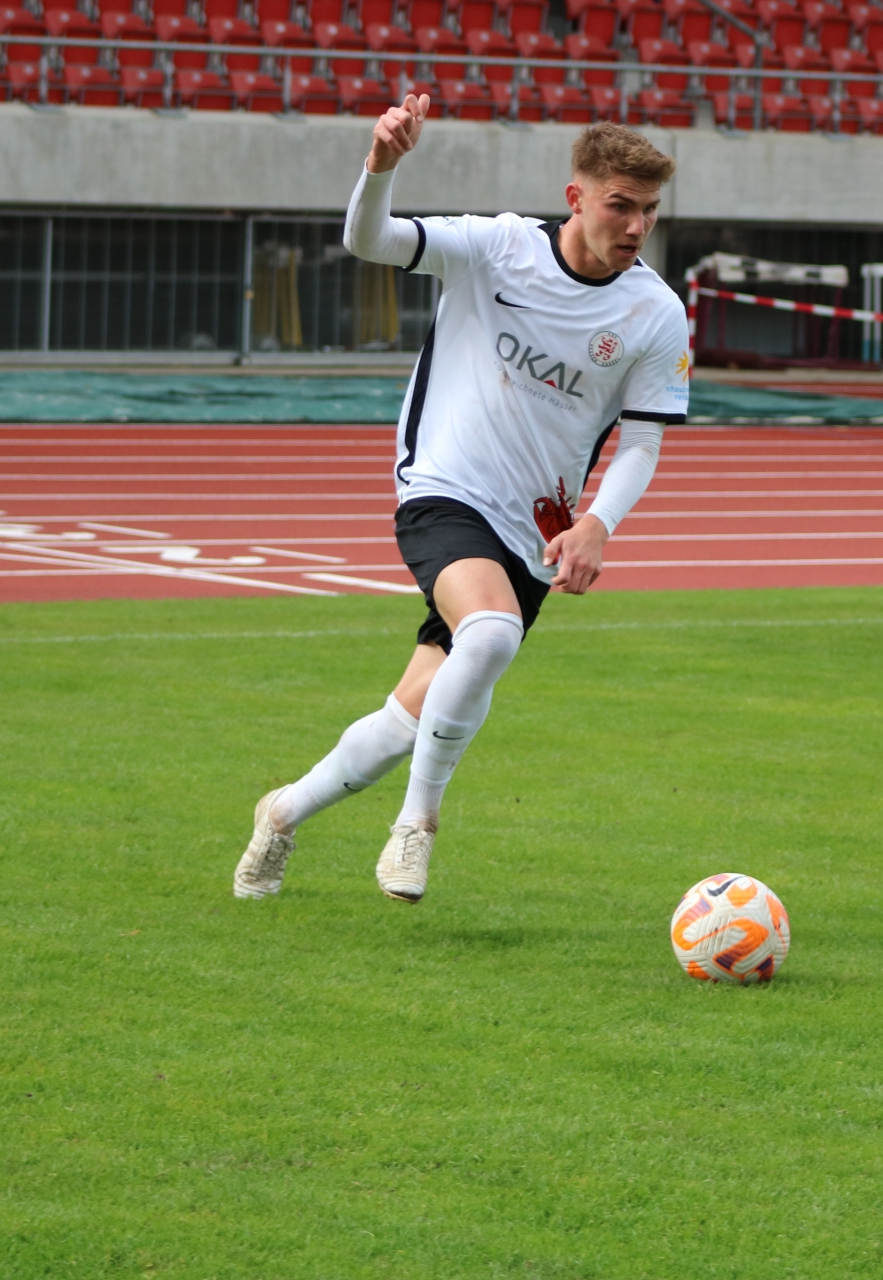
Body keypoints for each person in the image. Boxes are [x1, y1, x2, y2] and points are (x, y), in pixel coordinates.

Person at [232, 106, 690, 904]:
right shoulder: (497, 245)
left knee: (408, 718)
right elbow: (370, 241)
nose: (635, 226)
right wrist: (382, 165)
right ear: (576, 197)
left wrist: (596, 523)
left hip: (533, 529)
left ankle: (281, 813)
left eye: (649, 210)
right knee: (492, 633)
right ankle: (417, 824)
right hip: (441, 486)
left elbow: (643, 441)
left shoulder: (655, 312)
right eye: (620, 205)